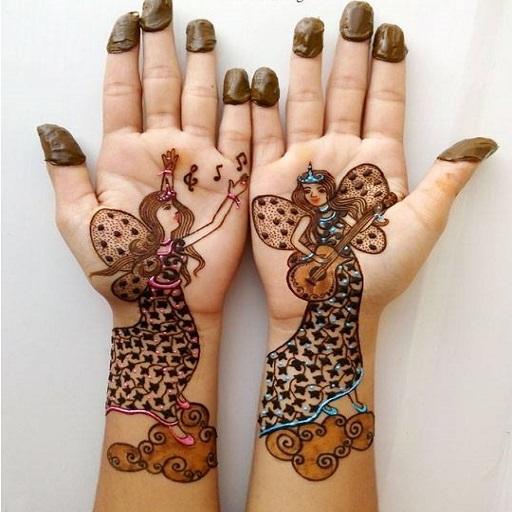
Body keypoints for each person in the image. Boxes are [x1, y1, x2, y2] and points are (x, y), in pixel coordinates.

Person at [36, 0, 497, 510]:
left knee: (313, 349)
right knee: (174, 368)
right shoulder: (173, 242)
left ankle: (305, 407)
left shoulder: (339, 212)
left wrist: (330, 278)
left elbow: (215, 225)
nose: (315, 196)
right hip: (208, 308)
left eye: (319, 190)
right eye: (310, 192)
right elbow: (287, 238)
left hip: (332, 290)